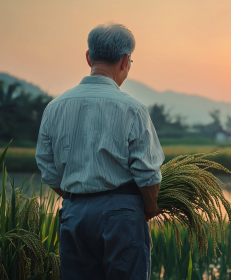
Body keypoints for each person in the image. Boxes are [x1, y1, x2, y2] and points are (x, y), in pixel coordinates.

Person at [35, 22, 164, 280]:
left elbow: (49, 172)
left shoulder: (55, 108)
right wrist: (150, 206)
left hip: (75, 214)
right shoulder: (132, 108)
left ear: (88, 57)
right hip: (122, 214)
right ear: (125, 61)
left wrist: (82, 197)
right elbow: (148, 174)